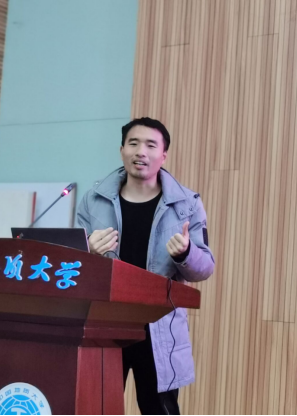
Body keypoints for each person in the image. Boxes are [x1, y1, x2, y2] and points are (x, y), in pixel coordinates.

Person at [76, 117, 215, 415]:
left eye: (151, 145)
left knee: (158, 408)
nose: (141, 151)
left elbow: (205, 268)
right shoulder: (93, 200)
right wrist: (88, 250)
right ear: (122, 150)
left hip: (158, 327)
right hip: (105, 323)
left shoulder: (186, 205)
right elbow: (73, 266)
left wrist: (185, 253)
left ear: (163, 155)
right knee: (96, 406)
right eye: (134, 143)